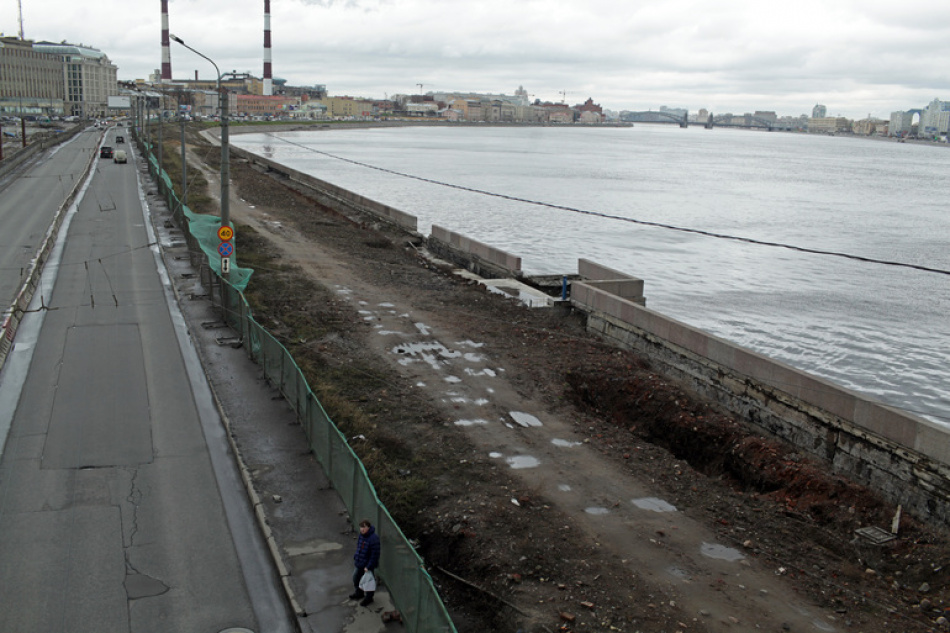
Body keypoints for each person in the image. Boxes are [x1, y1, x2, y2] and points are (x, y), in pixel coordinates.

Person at [348, 519, 380, 606]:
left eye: (364, 527)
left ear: (368, 527)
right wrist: (356, 556)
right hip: (360, 562)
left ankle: (369, 597)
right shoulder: (362, 536)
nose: (362, 529)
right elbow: (359, 547)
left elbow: (375, 554)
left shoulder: (374, 539)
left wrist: (369, 566)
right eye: (361, 527)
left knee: (368, 581)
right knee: (356, 578)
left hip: (367, 565)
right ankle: (360, 593)